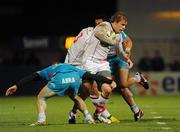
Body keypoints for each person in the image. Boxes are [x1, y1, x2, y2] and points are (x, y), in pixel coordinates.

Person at [5, 63, 116, 126]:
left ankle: (41, 119)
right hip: (75, 79)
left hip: (60, 80)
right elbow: (93, 76)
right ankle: (88, 117)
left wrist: (17, 85)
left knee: (41, 97)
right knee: (76, 97)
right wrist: (110, 81)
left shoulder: (49, 69)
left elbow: (33, 76)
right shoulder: (73, 67)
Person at [65, 15, 120, 124]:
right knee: (90, 86)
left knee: (86, 92)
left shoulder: (88, 30)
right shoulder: (93, 34)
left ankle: (74, 112)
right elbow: (84, 52)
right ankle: (102, 112)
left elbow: (118, 37)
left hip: (79, 62)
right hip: (74, 65)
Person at [107, 14, 149, 121]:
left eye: (125, 25)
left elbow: (129, 41)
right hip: (106, 61)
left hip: (119, 58)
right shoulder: (102, 30)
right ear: (114, 22)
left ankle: (137, 78)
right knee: (119, 87)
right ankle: (137, 111)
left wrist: (128, 50)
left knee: (122, 84)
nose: (124, 27)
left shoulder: (119, 32)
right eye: (122, 24)